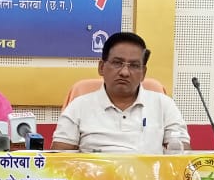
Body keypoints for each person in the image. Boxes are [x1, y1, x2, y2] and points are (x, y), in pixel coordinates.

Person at [52, 32, 190, 154]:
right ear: (101, 67)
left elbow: (182, 156)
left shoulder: (164, 105)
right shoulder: (78, 106)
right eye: (117, 63)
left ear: (143, 73)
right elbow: (59, 161)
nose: (124, 72)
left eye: (134, 66)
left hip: (149, 175)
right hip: (93, 176)